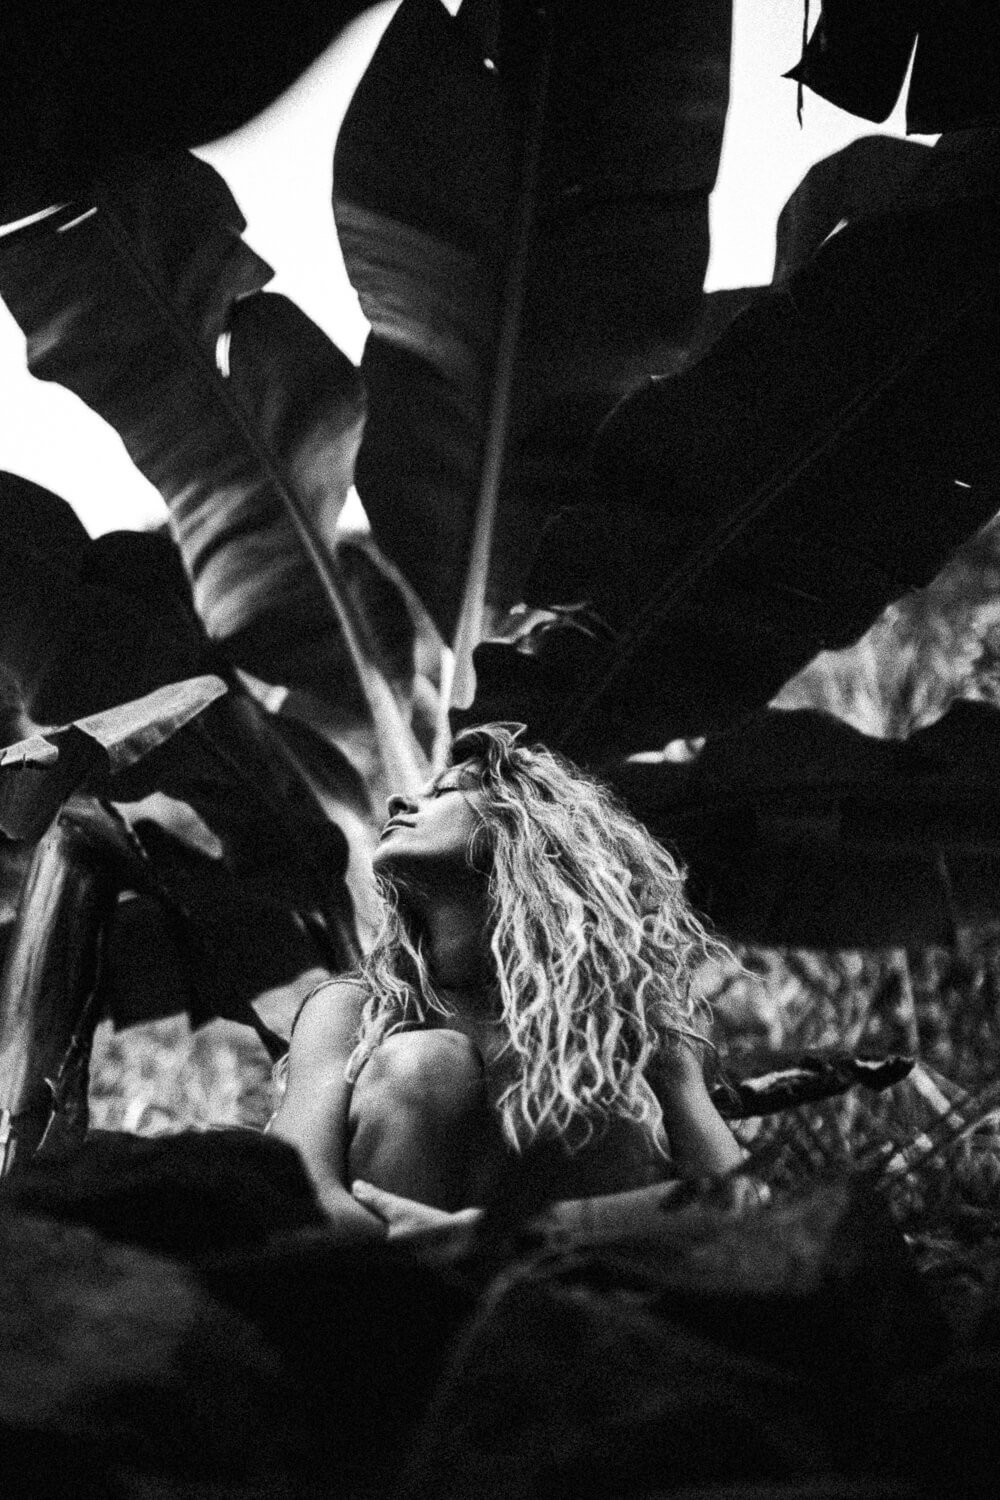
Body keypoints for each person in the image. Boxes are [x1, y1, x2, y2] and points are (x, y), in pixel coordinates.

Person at [268, 722, 745, 1251]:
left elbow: (731, 1196)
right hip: (389, 1287)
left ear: (521, 825)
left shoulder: (630, 1008)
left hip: (556, 1289)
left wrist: (490, 1236)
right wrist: (422, 1248)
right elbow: (295, 1196)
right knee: (428, 1062)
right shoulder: (355, 1006)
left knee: (603, 1094)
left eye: (446, 791)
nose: (400, 798)